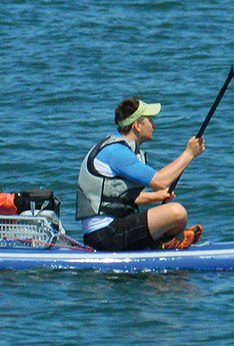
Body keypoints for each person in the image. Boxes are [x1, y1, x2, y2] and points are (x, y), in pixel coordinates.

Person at [75, 97, 206, 252]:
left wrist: (155, 197)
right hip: (105, 234)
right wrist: (189, 153)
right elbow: (160, 181)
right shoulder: (117, 152)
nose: (154, 125)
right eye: (150, 120)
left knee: (177, 219)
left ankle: (162, 243)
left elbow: (120, 196)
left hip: (105, 232)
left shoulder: (119, 148)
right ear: (137, 126)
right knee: (177, 213)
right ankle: (162, 243)